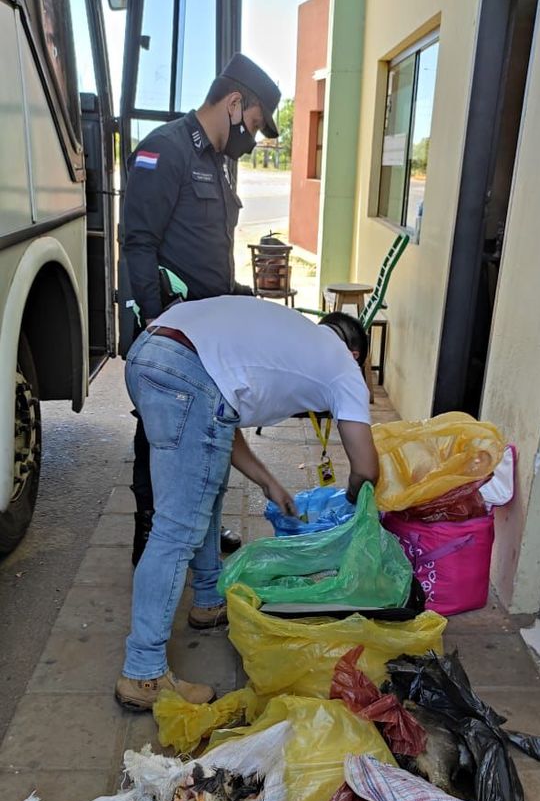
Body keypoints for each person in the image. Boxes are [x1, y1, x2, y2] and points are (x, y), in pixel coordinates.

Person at [115, 297, 379, 711]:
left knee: (207, 486)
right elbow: (365, 468)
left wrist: (269, 482)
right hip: (187, 371)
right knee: (176, 528)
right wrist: (351, 505)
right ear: (356, 353)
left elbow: (220, 420)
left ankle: (207, 601)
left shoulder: (290, 336)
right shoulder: (343, 365)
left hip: (150, 353)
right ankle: (143, 672)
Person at [123, 52, 281, 565]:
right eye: (253, 124)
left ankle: (201, 535)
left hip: (208, 330)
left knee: (210, 430)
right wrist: (156, 322)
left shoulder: (216, 163)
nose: (252, 138)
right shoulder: (164, 151)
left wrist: (241, 295)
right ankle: (149, 535)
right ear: (235, 103)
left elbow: (205, 250)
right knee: (160, 433)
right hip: (171, 329)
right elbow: (139, 245)